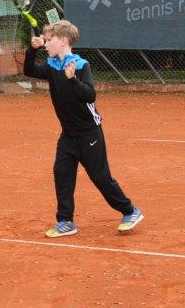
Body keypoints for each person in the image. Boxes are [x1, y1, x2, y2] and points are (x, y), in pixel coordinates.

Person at [23, 20, 143, 238]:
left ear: (63, 41)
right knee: (62, 174)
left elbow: (89, 95)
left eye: (48, 40)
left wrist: (73, 80)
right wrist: (32, 50)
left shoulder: (80, 65)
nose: (45, 44)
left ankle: (130, 211)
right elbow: (29, 70)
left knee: (100, 177)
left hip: (89, 133)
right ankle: (66, 221)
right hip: (68, 134)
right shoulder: (51, 65)